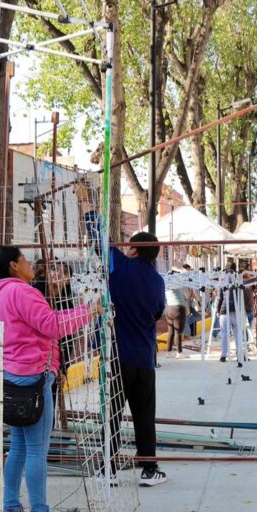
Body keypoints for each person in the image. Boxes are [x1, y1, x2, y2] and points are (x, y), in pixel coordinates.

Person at [0, 246, 96, 512]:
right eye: (25, 260)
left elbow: (42, 322)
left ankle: (11, 510)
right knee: (37, 448)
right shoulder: (22, 291)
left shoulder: (2, 292)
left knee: (19, 446)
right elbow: (52, 325)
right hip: (32, 376)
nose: (31, 264)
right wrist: (88, 312)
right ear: (14, 265)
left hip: (15, 373)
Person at [77, 184, 169, 487]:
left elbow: (98, 237)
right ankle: (149, 469)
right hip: (144, 357)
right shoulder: (157, 282)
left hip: (116, 355)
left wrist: (86, 202)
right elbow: (158, 314)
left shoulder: (120, 267)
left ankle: (109, 469)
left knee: (112, 413)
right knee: (144, 415)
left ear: (133, 250)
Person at [217, 261, 246, 365]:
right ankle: (240, 355)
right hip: (237, 309)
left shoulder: (222, 279)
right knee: (238, 334)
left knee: (224, 334)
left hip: (225, 309)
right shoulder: (239, 278)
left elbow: (220, 297)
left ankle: (223, 356)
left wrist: (218, 310)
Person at [164, 271, 190, 358]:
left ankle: (169, 352)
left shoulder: (167, 286)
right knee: (178, 332)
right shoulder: (178, 285)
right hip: (178, 309)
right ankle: (179, 353)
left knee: (171, 332)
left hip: (169, 308)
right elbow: (187, 296)